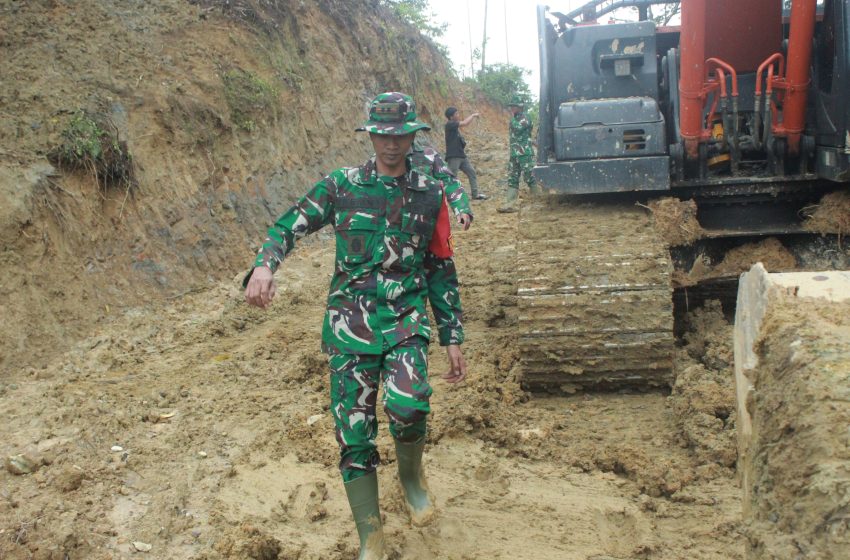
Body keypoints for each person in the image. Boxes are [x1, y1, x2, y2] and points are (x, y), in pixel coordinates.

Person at [243, 92, 471, 560]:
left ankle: (411, 477)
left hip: (406, 319)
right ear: (370, 135)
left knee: (409, 407)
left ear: (413, 135)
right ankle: (371, 536)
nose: (391, 144)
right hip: (349, 326)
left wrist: (452, 335)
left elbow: (439, 267)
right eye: (383, 135)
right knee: (354, 435)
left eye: (400, 135)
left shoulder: (429, 193)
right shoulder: (341, 185)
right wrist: (265, 266)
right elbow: (288, 226)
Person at [497, 95, 537, 213]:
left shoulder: (526, 118)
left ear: (520, 107)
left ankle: (540, 200)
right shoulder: (514, 118)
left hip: (525, 153)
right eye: (511, 106)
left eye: (514, 106)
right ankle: (509, 204)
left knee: (529, 176)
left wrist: (511, 119)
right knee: (512, 178)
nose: (512, 108)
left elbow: (517, 128)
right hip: (514, 153)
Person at [444, 106, 487, 200]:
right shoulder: (450, 124)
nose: (458, 115)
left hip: (461, 155)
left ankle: (475, 195)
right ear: (451, 117)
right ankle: (448, 197)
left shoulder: (454, 127)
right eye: (456, 114)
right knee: (452, 177)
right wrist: (473, 115)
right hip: (453, 156)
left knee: (471, 172)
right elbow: (465, 123)